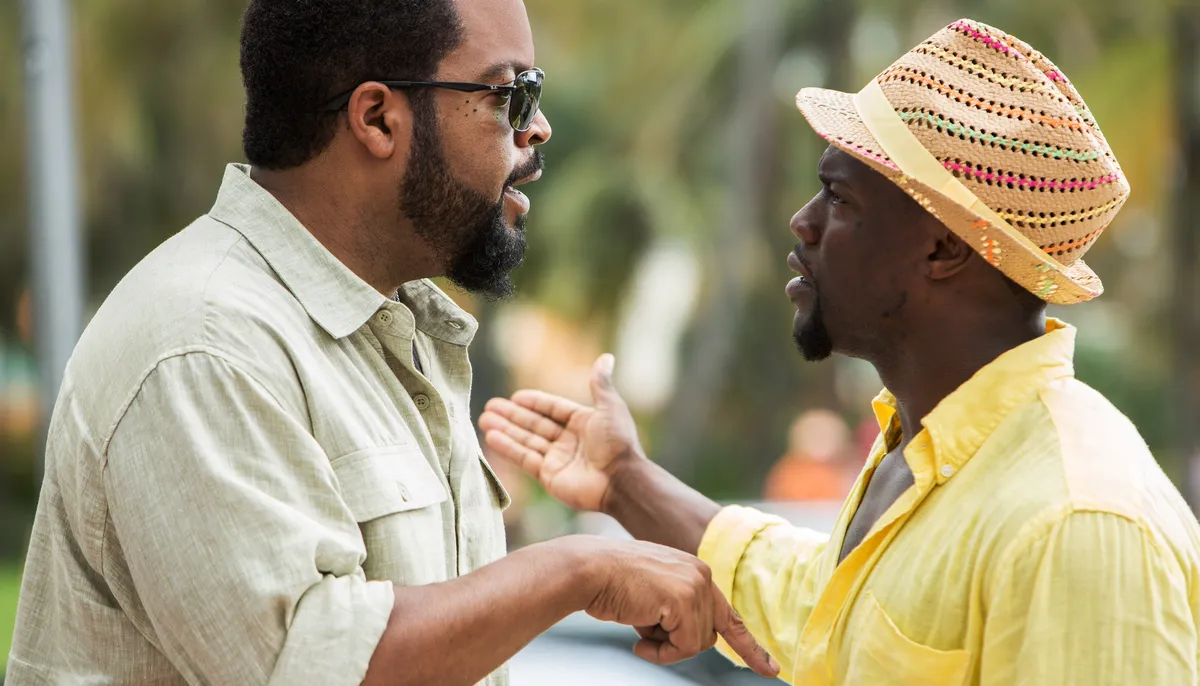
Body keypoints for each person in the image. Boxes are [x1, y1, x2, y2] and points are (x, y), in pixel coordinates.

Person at [5, 1, 779, 684]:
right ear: (377, 119)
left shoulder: (393, 331)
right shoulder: (202, 341)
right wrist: (577, 567)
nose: (537, 128)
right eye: (512, 93)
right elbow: (315, 667)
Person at [480, 19, 1200, 685]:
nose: (804, 221)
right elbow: (811, 607)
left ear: (944, 246)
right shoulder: (925, 454)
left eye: (840, 198)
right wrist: (624, 482)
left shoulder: (1078, 522)